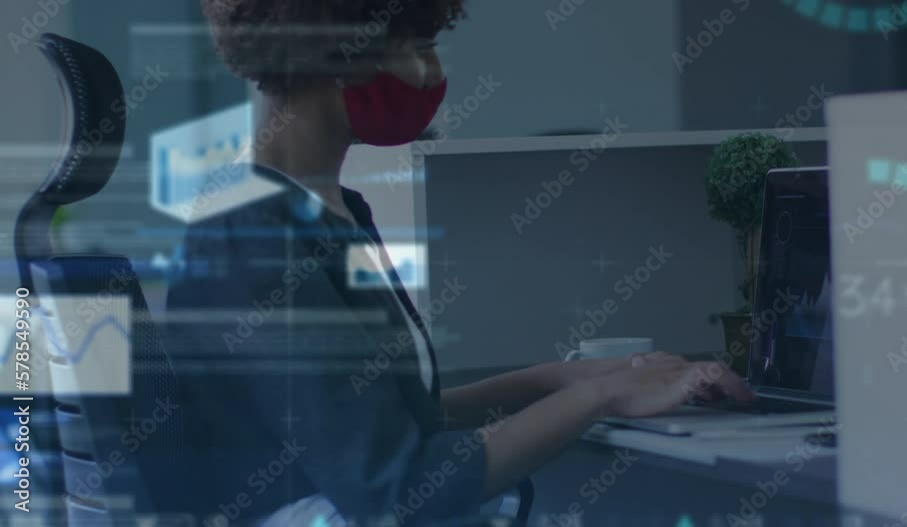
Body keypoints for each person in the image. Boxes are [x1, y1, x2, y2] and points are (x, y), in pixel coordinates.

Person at [165, 1, 753, 525]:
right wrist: (599, 400)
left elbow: (394, 419)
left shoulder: (330, 210)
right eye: (421, 48)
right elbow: (394, 487)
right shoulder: (251, 236)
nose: (434, 76)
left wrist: (564, 379)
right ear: (340, 51)